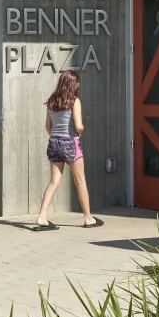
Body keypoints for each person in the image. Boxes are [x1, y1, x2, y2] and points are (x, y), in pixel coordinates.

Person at [34, 71, 102, 230]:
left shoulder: (51, 101)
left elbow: (47, 127)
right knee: (80, 181)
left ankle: (42, 217)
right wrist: (81, 130)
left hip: (54, 143)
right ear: (74, 84)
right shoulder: (74, 101)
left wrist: (57, 138)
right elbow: (78, 126)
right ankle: (88, 218)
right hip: (70, 143)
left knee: (54, 182)